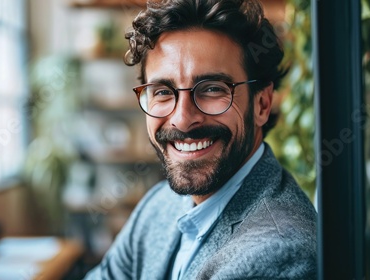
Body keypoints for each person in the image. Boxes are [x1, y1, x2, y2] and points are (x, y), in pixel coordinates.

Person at [85, 0, 317, 279]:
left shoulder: (280, 250)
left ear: (262, 105)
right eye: (162, 91)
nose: (182, 119)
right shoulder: (159, 204)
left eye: (211, 89)